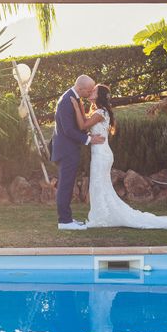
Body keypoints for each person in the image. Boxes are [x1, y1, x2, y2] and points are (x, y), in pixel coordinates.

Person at [70, 84, 167, 230]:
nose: (91, 92)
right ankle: (102, 215)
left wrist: (77, 107)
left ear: (100, 96)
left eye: (94, 91)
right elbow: (86, 124)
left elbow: (83, 125)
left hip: (101, 155)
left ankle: (101, 217)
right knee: (100, 186)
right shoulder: (99, 111)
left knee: (99, 185)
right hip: (100, 153)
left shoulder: (100, 112)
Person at [51, 75, 105, 230]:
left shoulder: (73, 98)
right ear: (80, 88)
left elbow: (78, 125)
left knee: (67, 185)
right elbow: (68, 130)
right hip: (66, 150)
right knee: (65, 186)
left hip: (69, 149)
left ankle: (67, 218)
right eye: (89, 90)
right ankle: (64, 222)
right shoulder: (67, 101)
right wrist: (88, 140)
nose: (90, 92)